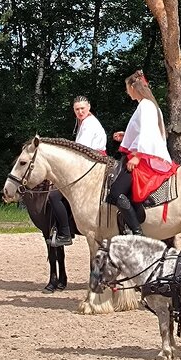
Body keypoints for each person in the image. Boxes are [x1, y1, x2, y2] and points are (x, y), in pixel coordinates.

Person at [108, 69, 178, 235]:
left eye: (127, 87)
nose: (127, 92)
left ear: (133, 86)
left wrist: (138, 157)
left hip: (144, 157)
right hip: (147, 154)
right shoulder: (149, 105)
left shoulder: (145, 106)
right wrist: (126, 136)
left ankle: (137, 232)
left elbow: (147, 133)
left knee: (116, 192)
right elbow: (149, 133)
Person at [48, 95, 107, 247]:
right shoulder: (85, 122)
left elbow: (80, 150)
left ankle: (65, 233)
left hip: (90, 164)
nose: (80, 111)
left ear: (89, 107)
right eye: (77, 109)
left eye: (82, 108)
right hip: (91, 162)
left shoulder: (88, 124)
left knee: (55, 196)